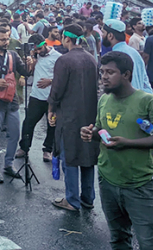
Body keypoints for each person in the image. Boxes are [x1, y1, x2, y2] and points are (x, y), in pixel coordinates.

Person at [81, 51, 153, 249]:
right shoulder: (104, 101)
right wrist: (91, 132)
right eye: (102, 72)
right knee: (118, 239)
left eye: (110, 72)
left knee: (148, 243)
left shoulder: (148, 101)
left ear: (126, 74)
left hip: (139, 184)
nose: (104, 77)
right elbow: (101, 130)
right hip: (107, 180)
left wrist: (128, 143)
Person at [48, 24, 99, 212]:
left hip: (69, 115)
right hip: (90, 115)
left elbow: (57, 90)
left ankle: (71, 199)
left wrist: (51, 108)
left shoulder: (64, 60)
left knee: (69, 157)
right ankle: (88, 197)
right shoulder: (91, 59)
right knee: (87, 156)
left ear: (66, 38)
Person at [0, 26, 33, 183]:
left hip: (12, 101)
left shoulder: (13, 56)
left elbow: (26, 72)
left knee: (15, 135)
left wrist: (30, 64)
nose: (5, 42)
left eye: (7, 39)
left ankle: (8, 165)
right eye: (2, 39)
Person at [15, 34, 60, 162]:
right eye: (36, 50)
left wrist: (50, 81)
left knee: (51, 125)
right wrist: (30, 62)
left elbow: (63, 76)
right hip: (36, 96)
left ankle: (47, 150)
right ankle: (24, 148)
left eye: (40, 49)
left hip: (51, 97)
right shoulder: (34, 56)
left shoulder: (57, 57)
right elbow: (28, 72)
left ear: (45, 44)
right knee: (28, 123)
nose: (39, 52)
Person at [102, 20, 153, 94]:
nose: (102, 36)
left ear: (110, 36)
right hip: (140, 98)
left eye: (103, 33)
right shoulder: (134, 52)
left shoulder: (116, 56)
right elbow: (145, 81)